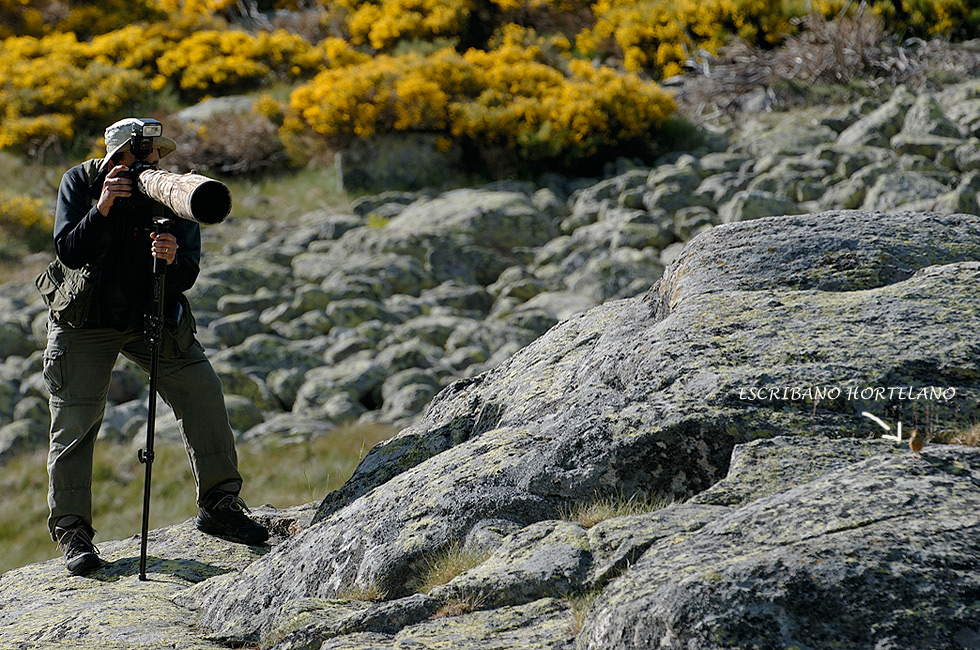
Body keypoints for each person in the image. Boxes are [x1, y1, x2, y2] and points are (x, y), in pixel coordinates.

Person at [42, 118, 267, 577]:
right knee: (75, 422)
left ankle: (220, 506)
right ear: (114, 159)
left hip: (152, 314)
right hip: (87, 320)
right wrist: (103, 207)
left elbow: (187, 272)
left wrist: (171, 259)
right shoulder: (81, 183)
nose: (148, 164)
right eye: (137, 156)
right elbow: (69, 250)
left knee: (202, 391)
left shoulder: (174, 191)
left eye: (154, 155)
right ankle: (73, 533)